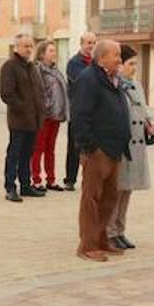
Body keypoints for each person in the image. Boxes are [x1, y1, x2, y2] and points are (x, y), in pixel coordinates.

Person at [71, 39, 130, 261]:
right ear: (102, 57)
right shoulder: (89, 79)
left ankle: (102, 238)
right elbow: (80, 116)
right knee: (91, 199)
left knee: (109, 198)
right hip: (97, 150)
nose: (120, 59)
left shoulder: (113, 79)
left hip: (114, 150)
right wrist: (90, 147)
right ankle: (87, 245)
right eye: (116, 55)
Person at [107, 44, 154, 250]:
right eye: (130, 64)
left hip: (137, 145)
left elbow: (144, 111)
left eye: (135, 64)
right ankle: (109, 231)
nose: (134, 68)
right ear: (119, 65)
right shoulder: (114, 86)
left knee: (128, 190)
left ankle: (120, 230)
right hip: (122, 146)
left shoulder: (136, 86)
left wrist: (151, 123)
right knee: (117, 191)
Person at [0, 33, 46, 202]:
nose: (28, 49)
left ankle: (25, 185)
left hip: (33, 121)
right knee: (15, 153)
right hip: (19, 121)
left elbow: (38, 92)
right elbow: (7, 94)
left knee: (27, 154)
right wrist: (23, 108)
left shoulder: (31, 67)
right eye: (25, 46)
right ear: (17, 47)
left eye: (30, 46)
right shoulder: (10, 66)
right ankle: (10, 186)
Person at [32, 39, 68, 191]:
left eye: (55, 51)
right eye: (51, 51)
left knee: (50, 149)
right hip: (44, 116)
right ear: (42, 54)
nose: (54, 54)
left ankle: (51, 180)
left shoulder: (56, 70)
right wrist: (46, 106)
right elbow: (38, 92)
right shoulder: (38, 70)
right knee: (38, 148)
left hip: (56, 115)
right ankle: (36, 179)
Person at [63, 31, 97, 191]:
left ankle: (90, 179)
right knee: (74, 147)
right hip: (78, 111)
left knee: (92, 149)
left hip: (95, 112)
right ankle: (70, 179)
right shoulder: (74, 63)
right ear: (82, 44)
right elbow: (82, 81)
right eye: (88, 43)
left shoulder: (97, 62)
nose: (91, 46)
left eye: (94, 43)